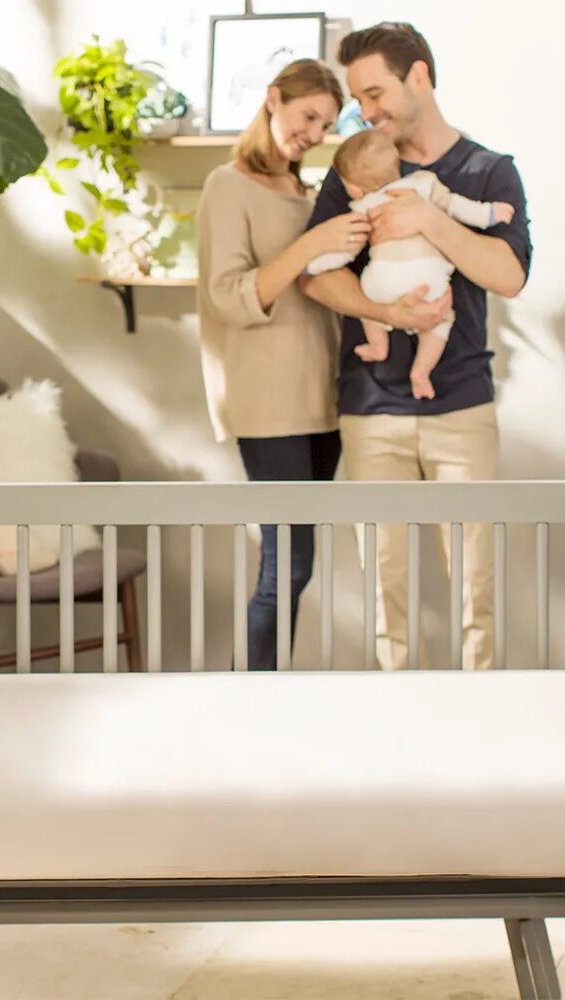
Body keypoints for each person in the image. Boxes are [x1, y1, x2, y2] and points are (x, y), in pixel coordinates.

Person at [302, 22, 532, 670]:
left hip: (460, 409)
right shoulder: (354, 170)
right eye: (360, 100)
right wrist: (384, 311)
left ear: (420, 77)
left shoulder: (487, 171)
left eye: (375, 94)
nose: (367, 112)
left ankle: (479, 728)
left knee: (474, 588)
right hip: (372, 411)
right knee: (384, 588)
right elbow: (315, 274)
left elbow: (509, 275)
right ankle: (394, 732)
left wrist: (430, 217)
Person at [197, 58, 369, 670]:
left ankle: (271, 690)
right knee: (286, 565)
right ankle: (256, 696)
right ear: (273, 99)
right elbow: (227, 295)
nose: (316, 133)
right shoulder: (228, 185)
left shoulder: (306, 192)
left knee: (300, 564)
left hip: (324, 397)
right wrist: (312, 245)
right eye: (308, 116)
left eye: (326, 123)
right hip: (269, 404)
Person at [306, 129, 516, 399]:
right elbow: (455, 205)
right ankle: (421, 371)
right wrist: (488, 213)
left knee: (369, 304)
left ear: (355, 188)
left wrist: (315, 264)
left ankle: (377, 344)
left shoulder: (363, 206)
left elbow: (347, 248)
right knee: (442, 320)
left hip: (380, 283)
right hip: (428, 280)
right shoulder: (424, 184)